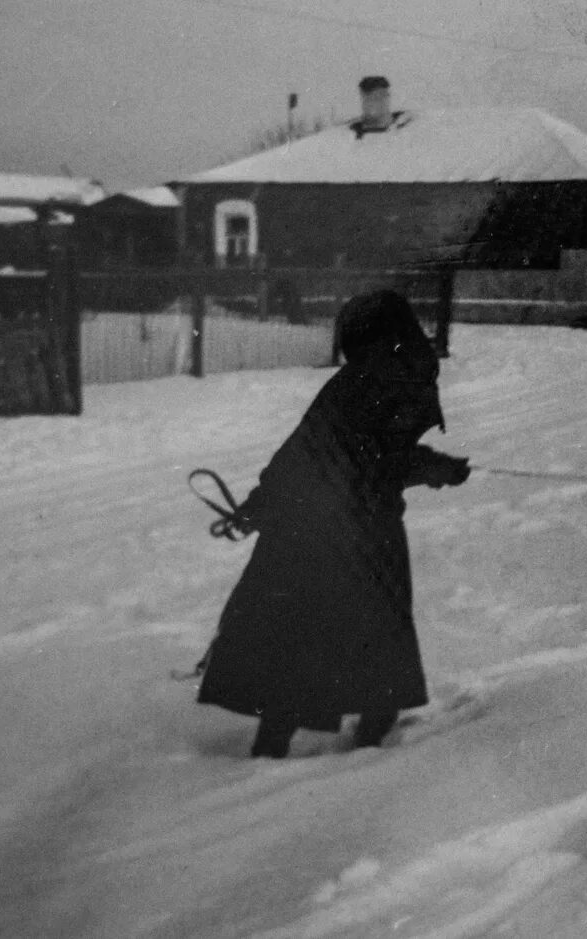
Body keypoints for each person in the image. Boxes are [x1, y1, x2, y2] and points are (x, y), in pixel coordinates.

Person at [198, 289, 469, 757]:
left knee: (296, 632)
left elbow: (306, 449)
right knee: (376, 632)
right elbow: (382, 460)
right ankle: (373, 732)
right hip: (366, 531)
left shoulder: (357, 379)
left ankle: (274, 740)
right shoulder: (405, 373)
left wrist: (260, 506)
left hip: (312, 522)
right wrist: (434, 468)